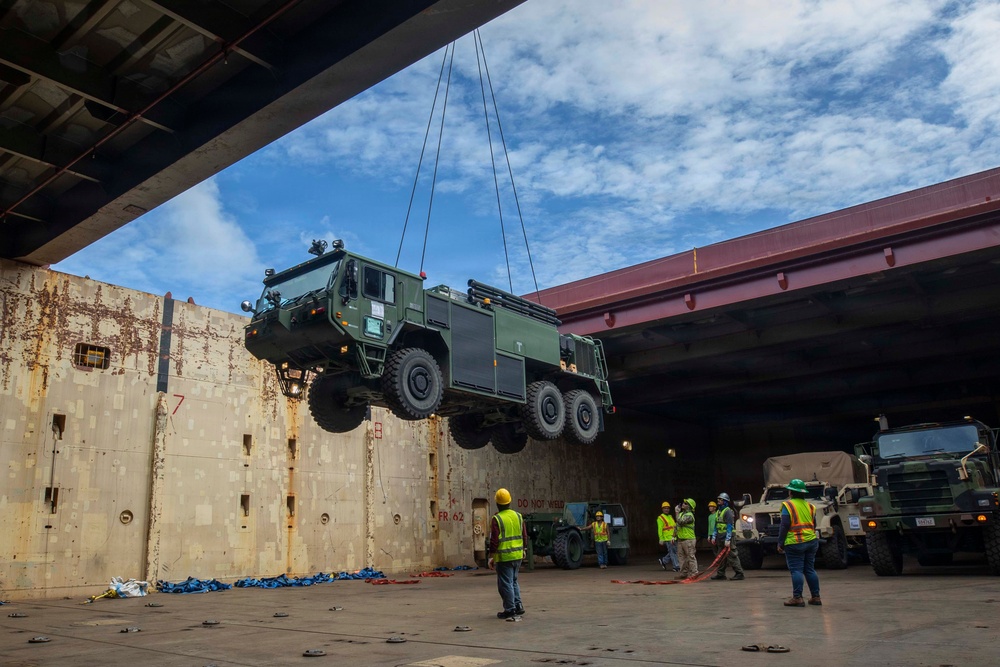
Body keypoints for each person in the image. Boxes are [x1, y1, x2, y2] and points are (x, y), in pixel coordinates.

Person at [777, 478, 821, 607]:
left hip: (794, 542)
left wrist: (780, 542)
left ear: (791, 492)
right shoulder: (811, 506)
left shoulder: (788, 505)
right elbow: (814, 525)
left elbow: (784, 525)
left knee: (796, 570)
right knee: (810, 570)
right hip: (811, 541)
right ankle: (816, 597)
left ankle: (797, 597)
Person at [488, 487, 527, 618]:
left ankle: (510, 609)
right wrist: (524, 549)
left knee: (506, 583)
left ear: (497, 504)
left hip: (504, 557)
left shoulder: (497, 519)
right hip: (518, 555)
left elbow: (494, 540)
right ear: (509, 502)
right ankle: (518, 605)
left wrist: (491, 556)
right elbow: (524, 535)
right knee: (514, 581)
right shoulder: (518, 516)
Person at [710, 492, 745, 581]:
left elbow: (730, 525)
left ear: (725, 501)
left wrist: (728, 539)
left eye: (720, 499)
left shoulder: (728, 511)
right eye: (718, 499)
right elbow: (716, 525)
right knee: (720, 556)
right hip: (720, 537)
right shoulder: (718, 511)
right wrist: (714, 536)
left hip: (727, 537)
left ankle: (739, 573)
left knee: (732, 555)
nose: (718, 501)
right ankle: (721, 574)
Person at [674, 498, 699, 579]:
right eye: (684, 503)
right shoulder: (681, 514)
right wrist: (673, 536)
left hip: (689, 539)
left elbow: (681, 522)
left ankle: (694, 573)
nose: (683, 504)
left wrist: (677, 512)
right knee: (681, 558)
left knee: (690, 557)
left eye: (686, 503)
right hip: (681, 539)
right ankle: (684, 573)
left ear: (689, 506)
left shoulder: (690, 516)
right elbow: (677, 525)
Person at [656, 501, 679, 571]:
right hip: (667, 538)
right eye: (665, 508)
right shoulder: (660, 518)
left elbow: (674, 526)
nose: (666, 509)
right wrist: (661, 539)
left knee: (674, 551)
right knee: (673, 552)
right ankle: (676, 566)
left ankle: (664, 561)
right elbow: (660, 529)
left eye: (668, 508)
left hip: (673, 537)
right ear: (662, 509)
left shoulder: (670, 516)